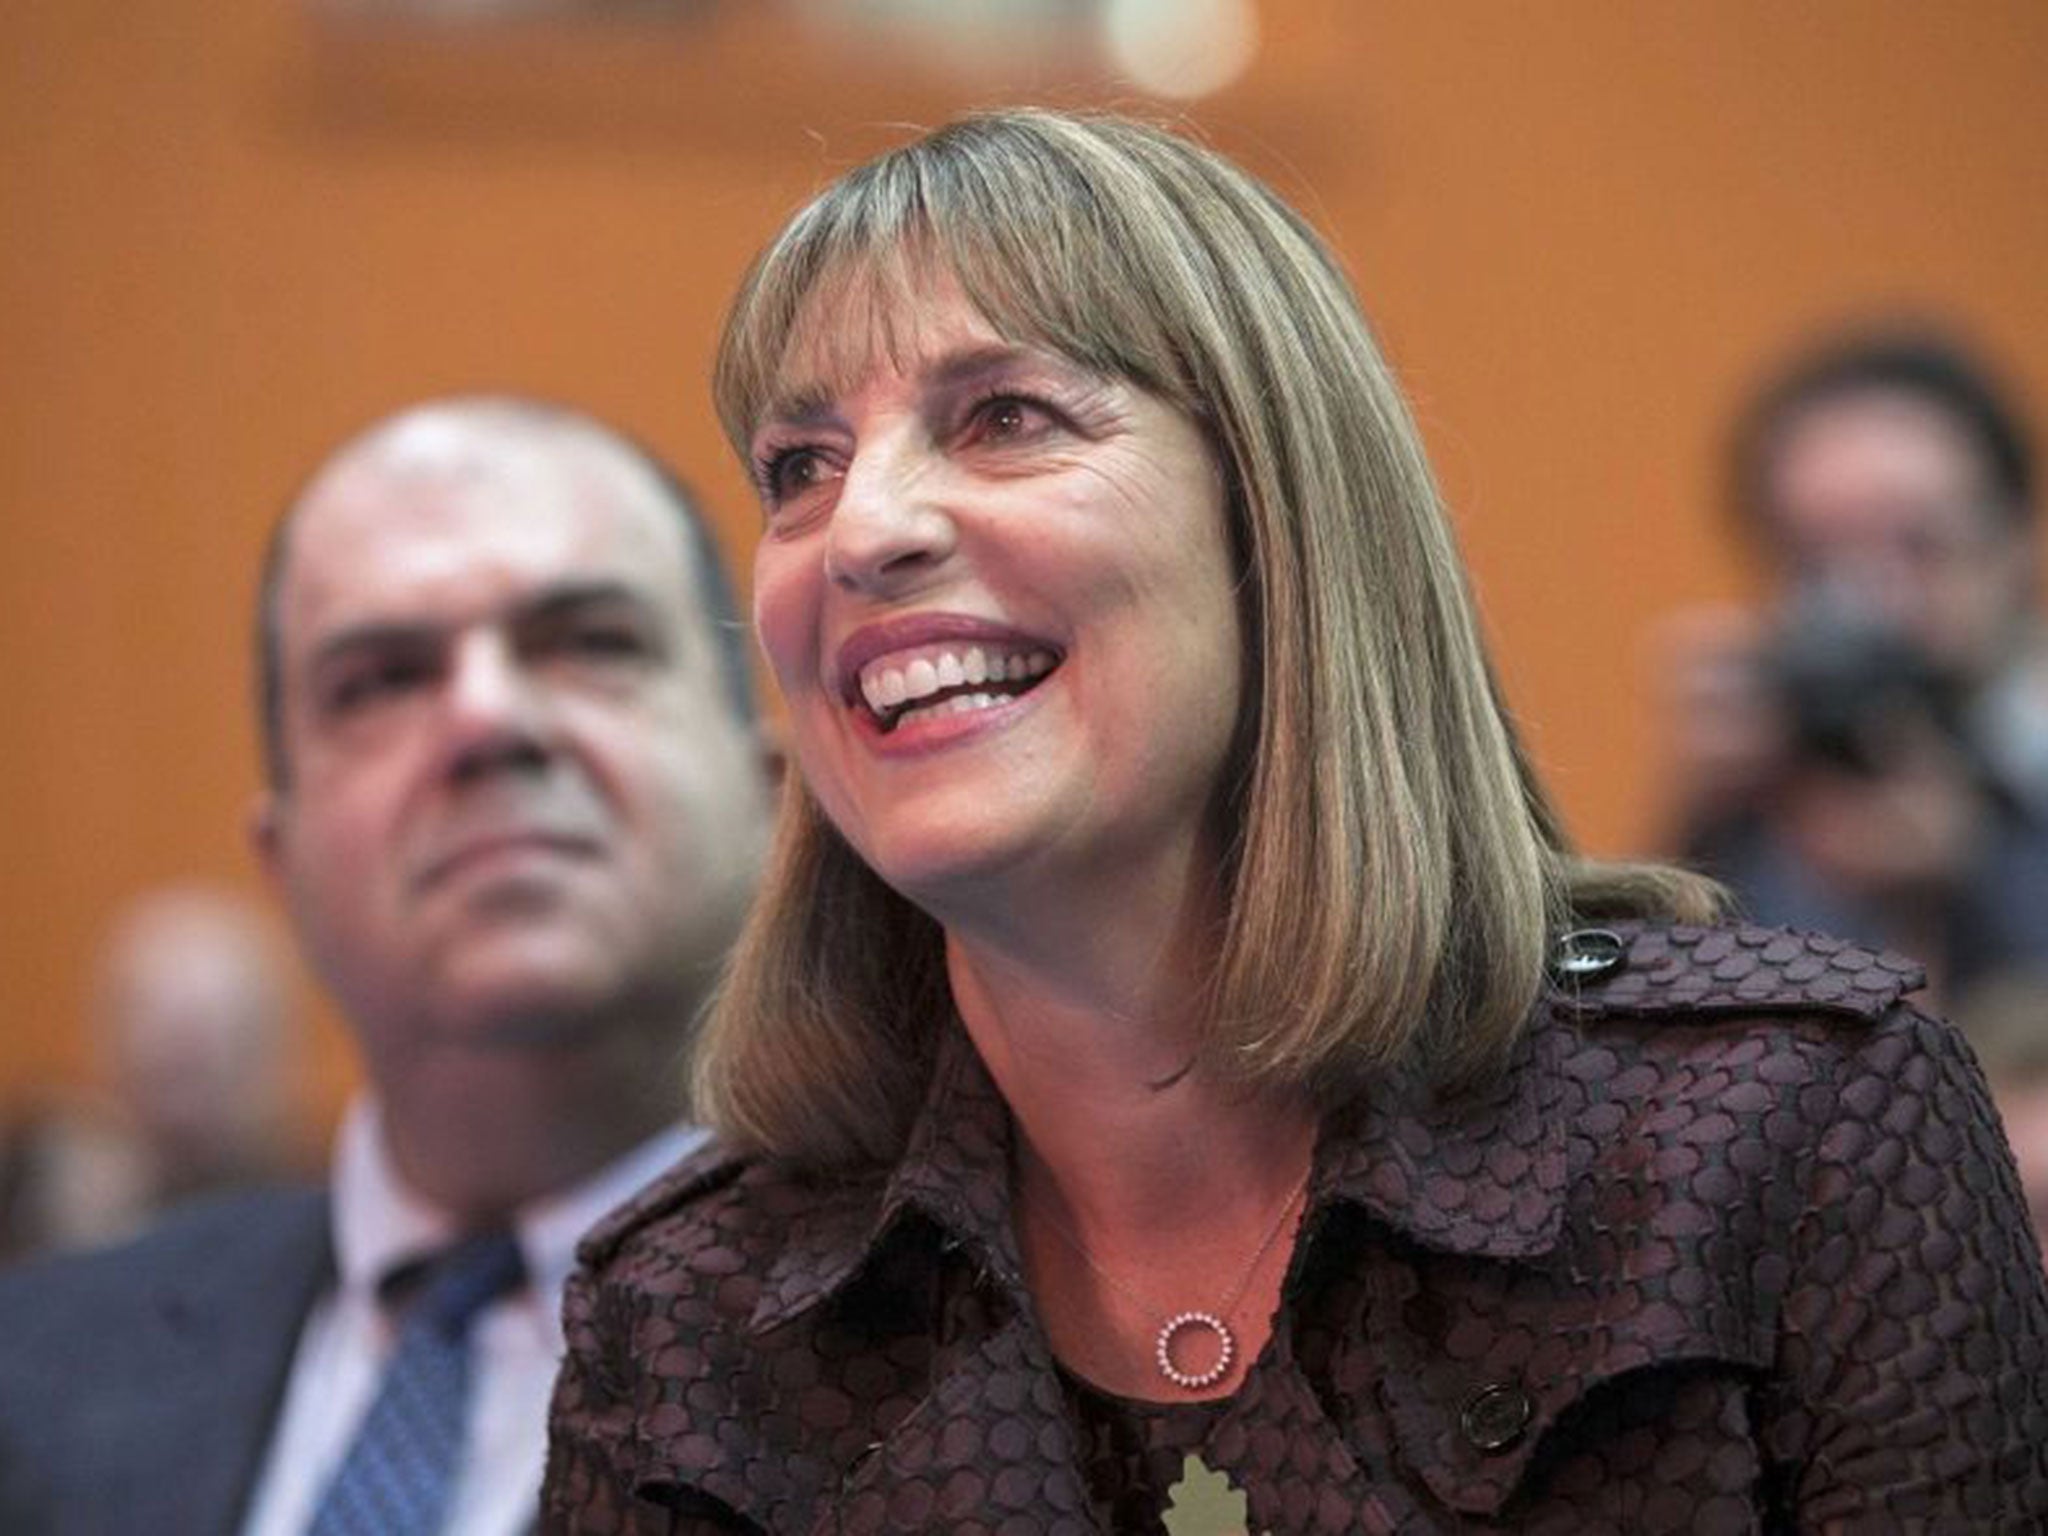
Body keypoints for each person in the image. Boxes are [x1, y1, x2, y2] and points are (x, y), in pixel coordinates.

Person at [540, 112, 2048, 1532]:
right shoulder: (686, 1320)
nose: (862, 528)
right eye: (799, 468)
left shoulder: (1794, 1135)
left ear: (1281, 526)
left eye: (1005, 416)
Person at [0, 397, 771, 1536]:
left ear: (770, 796)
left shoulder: (972, 1374)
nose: (485, 718)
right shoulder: (35, 1370)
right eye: (382, 679)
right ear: (283, 860)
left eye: (590, 643)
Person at [1665, 327, 2048, 1017]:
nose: (1869, 602)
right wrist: (1705, 828)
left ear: (2018, 541)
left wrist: (1975, 876)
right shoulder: (1771, 796)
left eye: (1916, 546)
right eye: (1816, 562)